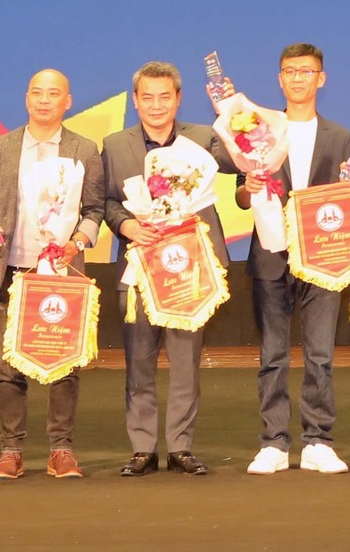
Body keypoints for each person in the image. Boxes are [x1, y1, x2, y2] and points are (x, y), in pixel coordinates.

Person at [0, 68, 106, 480]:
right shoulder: (0, 147)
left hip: (63, 271)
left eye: (53, 94)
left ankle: (61, 450)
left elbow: (94, 209)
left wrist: (77, 241)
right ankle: (10, 450)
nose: (44, 100)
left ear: (68, 101)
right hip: (12, 270)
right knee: (8, 368)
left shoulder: (84, 149)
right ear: (26, 98)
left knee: (64, 365)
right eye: (37, 93)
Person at [103, 61, 231, 476]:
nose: (156, 105)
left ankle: (180, 446)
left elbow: (241, 160)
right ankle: (142, 448)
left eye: (165, 97)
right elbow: (106, 202)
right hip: (140, 266)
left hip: (191, 268)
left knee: (186, 361)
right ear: (135, 101)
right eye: (148, 97)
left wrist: (231, 114)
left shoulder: (204, 137)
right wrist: (127, 225)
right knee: (139, 360)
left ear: (178, 99)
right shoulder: (115, 144)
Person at [243, 42, 350, 474]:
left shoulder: (339, 137)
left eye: (306, 71)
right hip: (270, 255)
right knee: (272, 354)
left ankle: (318, 441)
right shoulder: (259, 131)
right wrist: (248, 187)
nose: (298, 78)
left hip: (324, 257)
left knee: (320, 354)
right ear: (280, 78)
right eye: (290, 71)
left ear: (320, 79)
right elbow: (241, 195)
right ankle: (273, 442)